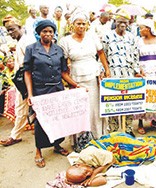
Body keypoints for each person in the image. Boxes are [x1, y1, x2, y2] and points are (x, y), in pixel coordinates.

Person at [23, 20, 80, 168]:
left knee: (59, 120)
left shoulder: (58, 50)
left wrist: (75, 85)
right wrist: (30, 94)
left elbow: (63, 72)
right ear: (39, 33)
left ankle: (57, 145)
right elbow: (27, 73)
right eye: (44, 31)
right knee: (41, 122)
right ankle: (38, 150)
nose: (48, 34)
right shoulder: (31, 49)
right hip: (40, 91)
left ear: (54, 33)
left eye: (50, 31)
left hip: (57, 90)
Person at [59, 11, 111, 151]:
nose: (81, 26)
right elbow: (63, 65)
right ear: (72, 25)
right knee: (80, 110)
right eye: (78, 24)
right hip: (76, 79)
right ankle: (81, 140)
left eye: (83, 24)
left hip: (93, 77)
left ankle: (97, 136)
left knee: (94, 108)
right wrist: (72, 83)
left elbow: (101, 53)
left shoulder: (92, 37)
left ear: (87, 25)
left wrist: (106, 69)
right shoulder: (65, 41)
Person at [102, 9, 141, 136]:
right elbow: (103, 56)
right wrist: (104, 71)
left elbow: (136, 56)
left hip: (128, 75)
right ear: (115, 22)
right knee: (113, 103)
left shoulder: (132, 37)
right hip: (113, 75)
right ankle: (113, 131)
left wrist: (136, 71)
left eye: (125, 22)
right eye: (120, 22)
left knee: (128, 103)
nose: (123, 25)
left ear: (128, 23)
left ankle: (128, 130)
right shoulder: (107, 36)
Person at [0, 17, 34, 146]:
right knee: (21, 107)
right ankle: (16, 135)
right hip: (22, 78)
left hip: (27, 78)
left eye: (12, 29)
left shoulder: (27, 41)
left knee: (22, 107)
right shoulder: (20, 41)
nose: (10, 33)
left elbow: (31, 63)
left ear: (20, 28)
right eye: (8, 30)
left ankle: (16, 135)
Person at [135, 18, 156, 135]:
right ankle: (140, 123)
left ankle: (154, 120)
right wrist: (138, 70)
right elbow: (135, 56)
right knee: (142, 97)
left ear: (149, 29)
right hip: (144, 72)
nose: (140, 30)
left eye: (142, 28)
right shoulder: (139, 41)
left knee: (155, 96)